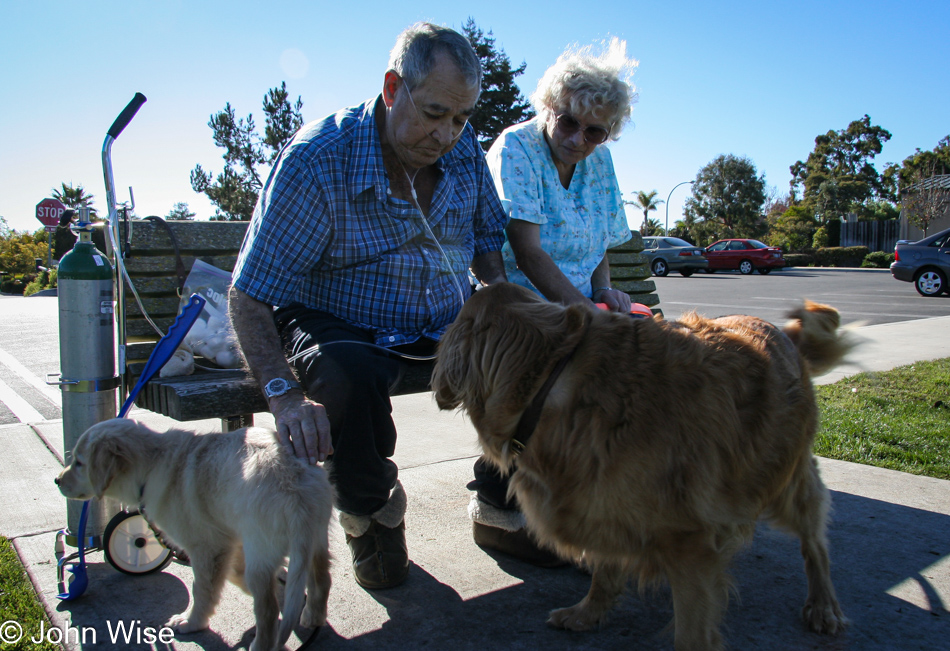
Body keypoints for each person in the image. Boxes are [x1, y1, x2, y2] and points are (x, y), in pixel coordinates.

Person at [229, 23, 508, 590]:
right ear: (391, 87)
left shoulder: (463, 145)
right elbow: (249, 294)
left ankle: (508, 500)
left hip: (441, 321)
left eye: (460, 119)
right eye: (433, 113)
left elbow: (486, 243)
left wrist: (505, 310)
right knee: (348, 376)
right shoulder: (317, 160)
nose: (447, 134)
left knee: (536, 351)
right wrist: (284, 399)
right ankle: (369, 512)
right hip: (344, 324)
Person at [466, 38, 638, 566]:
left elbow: (598, 244)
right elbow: (527, 250)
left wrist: (604, 291)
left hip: (574, 306)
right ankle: (497, 508)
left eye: (595, 131)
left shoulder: (599, 162)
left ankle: (581, 500)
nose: (578, 139)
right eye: (568, 122)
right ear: (548, 107)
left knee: (640, 367)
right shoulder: (516, 148)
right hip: (513, 303)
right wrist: (580, 310)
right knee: (550, 379)